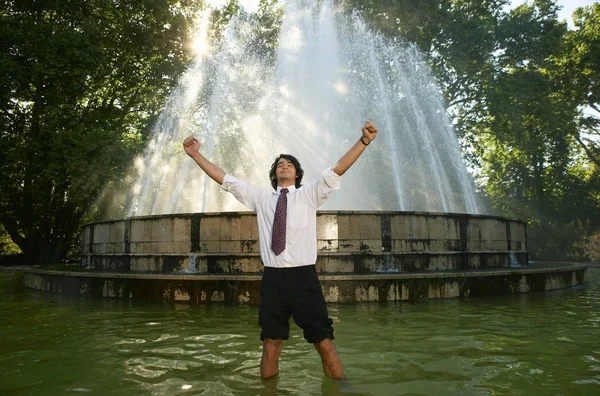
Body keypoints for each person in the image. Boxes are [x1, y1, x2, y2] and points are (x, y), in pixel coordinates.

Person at [183, 121, 378, 379]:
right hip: (273, 279)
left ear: (297, 174)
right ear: (274, 174)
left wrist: (363, 141)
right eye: (279, 164)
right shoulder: (260, 197)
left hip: (303, 278)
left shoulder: (309, 194)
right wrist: (196, 155)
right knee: (271, 344)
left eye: (289, 164)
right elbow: (224, 179)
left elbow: (338, 169)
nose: (283, 165)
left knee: (324, 341)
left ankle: (341, 390)